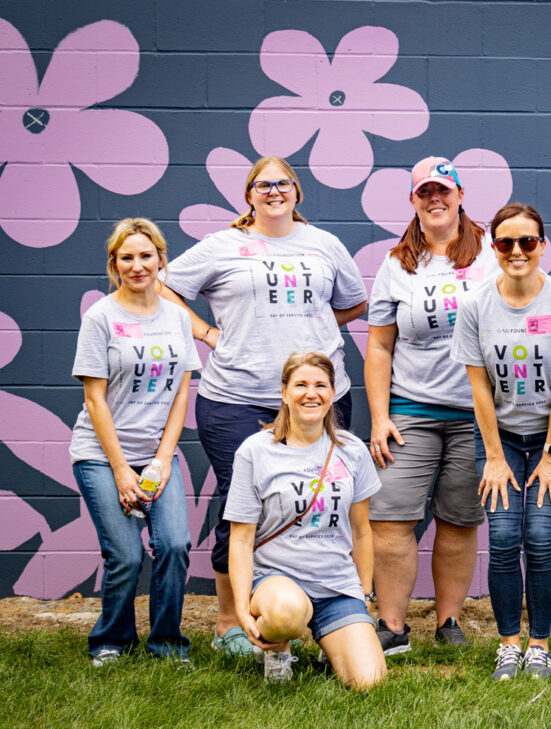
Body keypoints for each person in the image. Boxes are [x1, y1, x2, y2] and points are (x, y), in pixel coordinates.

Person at [160, 156, 367, 656]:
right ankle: (230, 621)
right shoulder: (222, 245)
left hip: (320, 397)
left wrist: (310, 330)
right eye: (263, 184)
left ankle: (322, 611)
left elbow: (355, 301)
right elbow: (164, 287)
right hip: (236, 396)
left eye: (283, 184)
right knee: (242, 503)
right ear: (248, 195)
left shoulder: (324, 244)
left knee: (321, 498)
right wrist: (211, 333)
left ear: (297, 192)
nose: (273, 191)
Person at [451, 203, 551, 681]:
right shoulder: (474, 305)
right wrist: (493, 455)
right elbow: (478, 388)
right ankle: (508, 644)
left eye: (527, 241)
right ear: (493, 248)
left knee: (539, 537)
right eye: (506, 242)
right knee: (504, 537)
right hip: (501, 438)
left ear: (542, 246)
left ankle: (540, 645)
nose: (517, 251)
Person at [365, 157, 496, 654]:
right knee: (391, 520)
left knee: (460, 520)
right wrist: (380, 417)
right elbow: (379, 346)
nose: (435, 199)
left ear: (461, 195)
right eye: (425, 193)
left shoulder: (491, 253)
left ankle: (448, 623)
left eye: (444, 190)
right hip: (411, 411)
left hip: (476, 415)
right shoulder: (397, 263)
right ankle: (393, 626)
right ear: (414, 201)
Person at [70, 218, 200, 667]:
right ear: (114, 263)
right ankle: (111, 639)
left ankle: (166, 643)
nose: (138, 265)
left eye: (146, 256)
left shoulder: (178, 318)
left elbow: (182, 391)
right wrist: (123, 469)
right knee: (125, 554)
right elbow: (94, 398)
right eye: (127, 257)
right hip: (102, 455)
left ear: (161, 260)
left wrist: (163, 460)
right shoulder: (101, 317)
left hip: (156, 455)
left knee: (175, 545)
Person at [224, 350, 386, 688]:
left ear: (332, 394)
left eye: (320, 385)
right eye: (300, 384)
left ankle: (333, 639)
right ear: (284, 393)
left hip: (336, 585)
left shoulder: (352, 451)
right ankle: (278, 650)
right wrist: (241, 609)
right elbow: (240, 539)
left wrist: (364, 593)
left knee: (369, 682)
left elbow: (362, 532)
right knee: (286, 612)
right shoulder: (255, 452)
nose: (311, 393)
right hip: (278, 582)